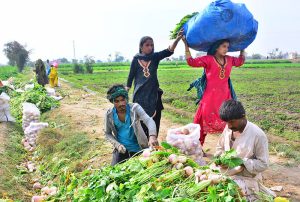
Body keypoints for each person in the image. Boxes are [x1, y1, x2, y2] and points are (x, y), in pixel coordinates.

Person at [182, 37, 246, 146]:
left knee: (231, 122)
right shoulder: (208, 59)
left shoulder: (230, 60)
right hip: (210, 98)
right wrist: (186, 45)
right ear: (217, 47)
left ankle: (231, 149)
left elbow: (240, 61)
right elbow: (191, 62)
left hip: (225, 97)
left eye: (227, 47)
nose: (226, 49)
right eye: (224, 46)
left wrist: (242, 47)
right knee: (202, 123)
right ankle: (198, 147)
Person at [126, 29, 184, 137]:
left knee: (156, 120)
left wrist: (178, 39)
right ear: (141, 46)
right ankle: (142, 146)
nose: (150, 47)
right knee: (140, 122)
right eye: (147, 45)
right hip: (140, 96)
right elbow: (130, 77)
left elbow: (169, 50)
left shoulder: (155, 57)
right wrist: (126, 91)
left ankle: (153, 143)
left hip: (154, 95)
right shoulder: (136, 59)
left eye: (152, 45)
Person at [215, 100, 273, 201]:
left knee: (232, 196)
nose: (229, 126)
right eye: (227, 122)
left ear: (243, 117)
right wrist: (221, 159)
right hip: (226, 172)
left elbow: (264, 164)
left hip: (246, 178)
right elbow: (220, 148)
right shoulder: (229, 128)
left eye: (232, 121)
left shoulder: (258, 135)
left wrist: (242, 162)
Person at [104, 84, 158, 165]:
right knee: (114, 171)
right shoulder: (109, 114)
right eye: (117, 101)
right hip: (122, 149)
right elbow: (108, 133)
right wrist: (117, 145)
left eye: (123, 100)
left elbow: (149, 121)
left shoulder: (134, 108)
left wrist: (152, 136)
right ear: (112, 102)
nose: (121, 104)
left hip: (139, 149)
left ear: (126, 99)